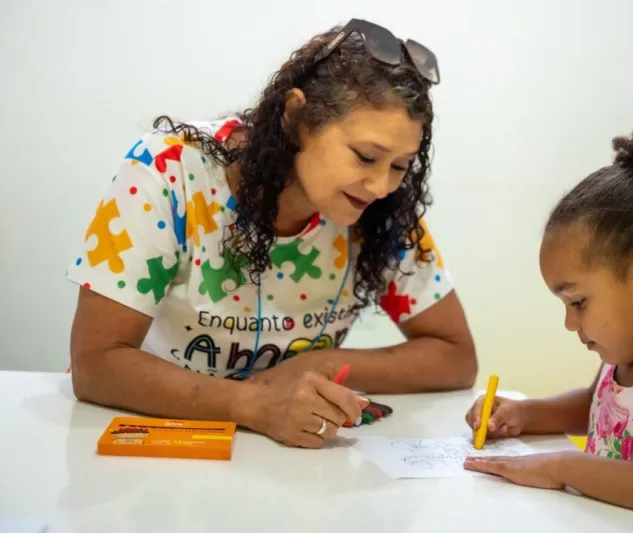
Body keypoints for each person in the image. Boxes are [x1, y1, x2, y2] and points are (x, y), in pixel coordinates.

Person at [66, 19, 477, 449]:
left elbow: (455, 356)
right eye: (365, 156)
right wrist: (253, 404)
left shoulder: (378, 212)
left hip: (283, 467)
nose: (381, 186)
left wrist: (318, 364)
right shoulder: (169, 173)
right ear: (296, 116)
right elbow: (96, 363)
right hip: (150, 447)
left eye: (399, 165)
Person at [463, 113, 633, 532]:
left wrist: (567, 467)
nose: (570, 323)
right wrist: (524, 414)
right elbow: (597, 407)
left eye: (578, 301)